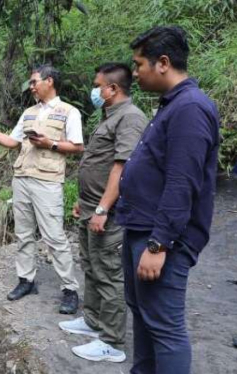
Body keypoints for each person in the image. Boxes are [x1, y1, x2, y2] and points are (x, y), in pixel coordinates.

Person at [116, 26, 220, 373]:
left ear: (163, 63)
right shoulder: (173, 106)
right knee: (145, 317)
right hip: (142, 231)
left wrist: (159, 245)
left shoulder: (190, 108)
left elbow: (182, 183)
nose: (134, 72)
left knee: (164, 326)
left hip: (161, 239)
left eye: (138, 64)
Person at [0, 64, 83, 314]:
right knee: (24, 234)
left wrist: (49, 143)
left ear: (49, 81)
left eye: (34, 82)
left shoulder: (68, 112)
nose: (31, 87)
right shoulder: (28, 112)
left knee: (54, 237)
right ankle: (26, 280)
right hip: (22, 179)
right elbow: (12, 141)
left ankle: (70, 290)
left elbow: (77, 146)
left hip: (48, 181)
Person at [59, 63, 147, 363]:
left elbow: (122, 168)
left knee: (109, 273)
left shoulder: (131, 118)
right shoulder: (108, 115)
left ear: (113, 89)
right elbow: (97, 162)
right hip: (91, 207)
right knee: (91, 265)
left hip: (108, 213)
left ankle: (112, 342)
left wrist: (102, 208)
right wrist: (84, 202)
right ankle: (93, 321)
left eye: (98, 86)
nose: (94, 91)